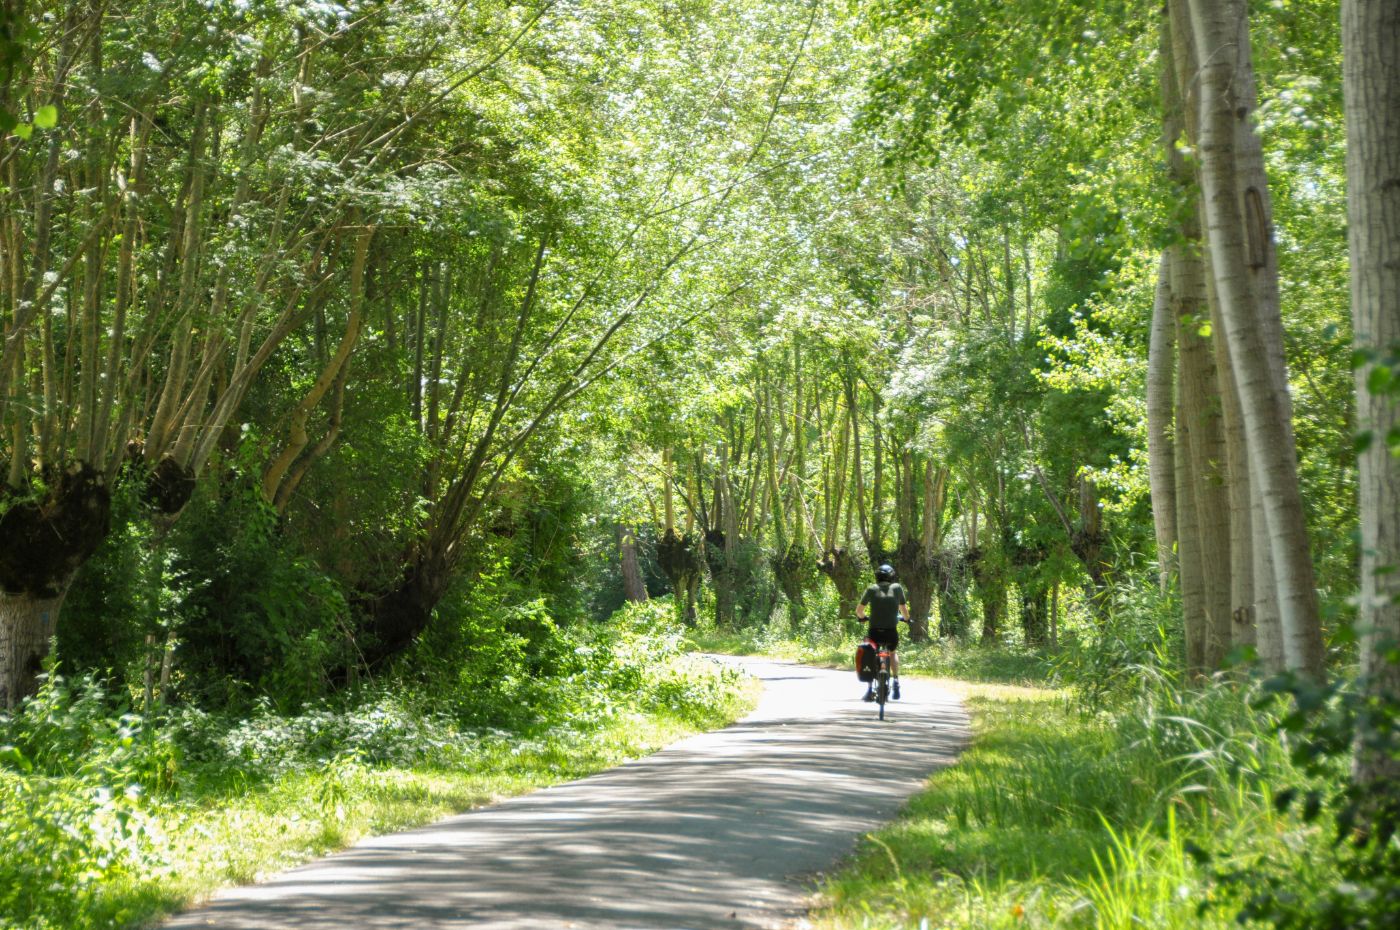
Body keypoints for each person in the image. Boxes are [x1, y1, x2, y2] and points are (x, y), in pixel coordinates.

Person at [855, 563, 909, 701]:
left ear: (877, 576)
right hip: (891, 632)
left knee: (871, 653)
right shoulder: (897, 588)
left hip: (874, 631)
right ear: (892, 576)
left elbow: (859, 611)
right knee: (892, 652)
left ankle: (869, 690)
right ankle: (896, 681)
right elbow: (904, 610)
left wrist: (862, 618)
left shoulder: (871, 589)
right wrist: (907, 619)